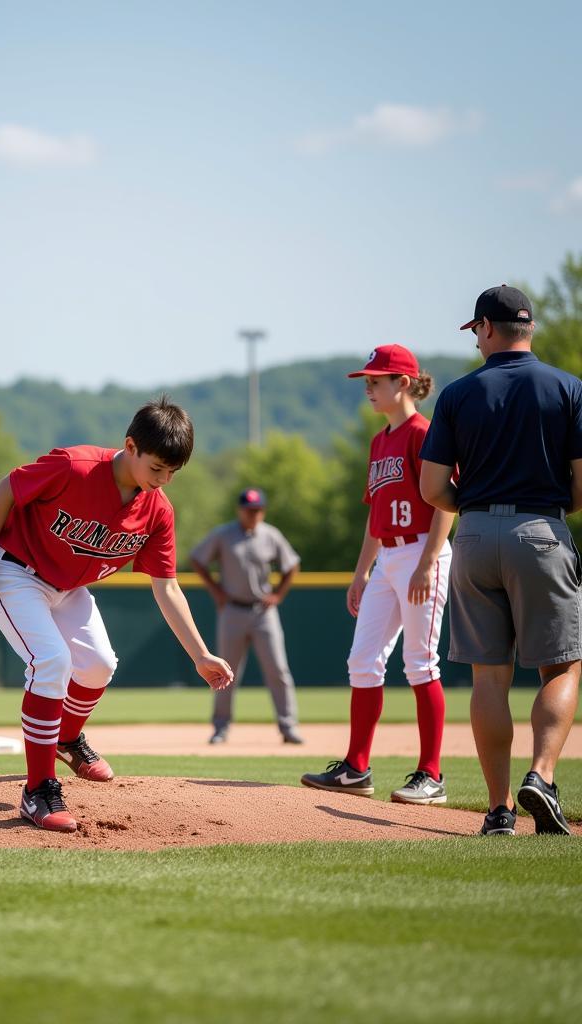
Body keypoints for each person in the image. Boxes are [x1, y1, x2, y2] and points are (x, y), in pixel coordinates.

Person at [0, 396, 234, 833]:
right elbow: (7, 489)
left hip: (67, 587)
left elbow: (166, 586)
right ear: (130, 446)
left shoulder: (158, 509)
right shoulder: (75, 466)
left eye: (172, 473)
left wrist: (200, 655)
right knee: (51, 661)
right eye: (157, 468)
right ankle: (38, 789)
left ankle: (68, 739)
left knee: (99, 665)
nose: (163, 479)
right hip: (13, 570)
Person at [419, 285, 582, 836]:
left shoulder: (460, 395)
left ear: (486, 328)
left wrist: (475, 508)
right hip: (541, 529)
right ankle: (541, 775)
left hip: (474, 534)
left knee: (490, 677)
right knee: (560, 666)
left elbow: (432, 487)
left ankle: (498, 811)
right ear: (529, 327)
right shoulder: (567, 388)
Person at [302, 344, 455, 804]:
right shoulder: (380, 440)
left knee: (420, 662)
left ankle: (431, 775)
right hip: (387, 558)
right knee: (362, 661)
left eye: (376, 379)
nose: (368, 387)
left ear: (403, 383)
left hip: (420, 553)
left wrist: (428, 561)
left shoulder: (423, 433)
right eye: (367, 380)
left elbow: (446, 499)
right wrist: (359, 573)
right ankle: (356, 768)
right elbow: (375, 515)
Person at [190, 488, 303, 745]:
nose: (252, 514)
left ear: (262, 511)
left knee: (278, 670)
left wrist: (278, 595)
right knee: (223, 672)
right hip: (232, 610)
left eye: (257, 510)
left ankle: (288, 726)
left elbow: (292, 564)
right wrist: (216, 589)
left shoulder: (271, 535)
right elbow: (197, 559)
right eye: (248, 510)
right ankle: (221, 727)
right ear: (239, 510)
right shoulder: (224, 534)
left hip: (264, 612)